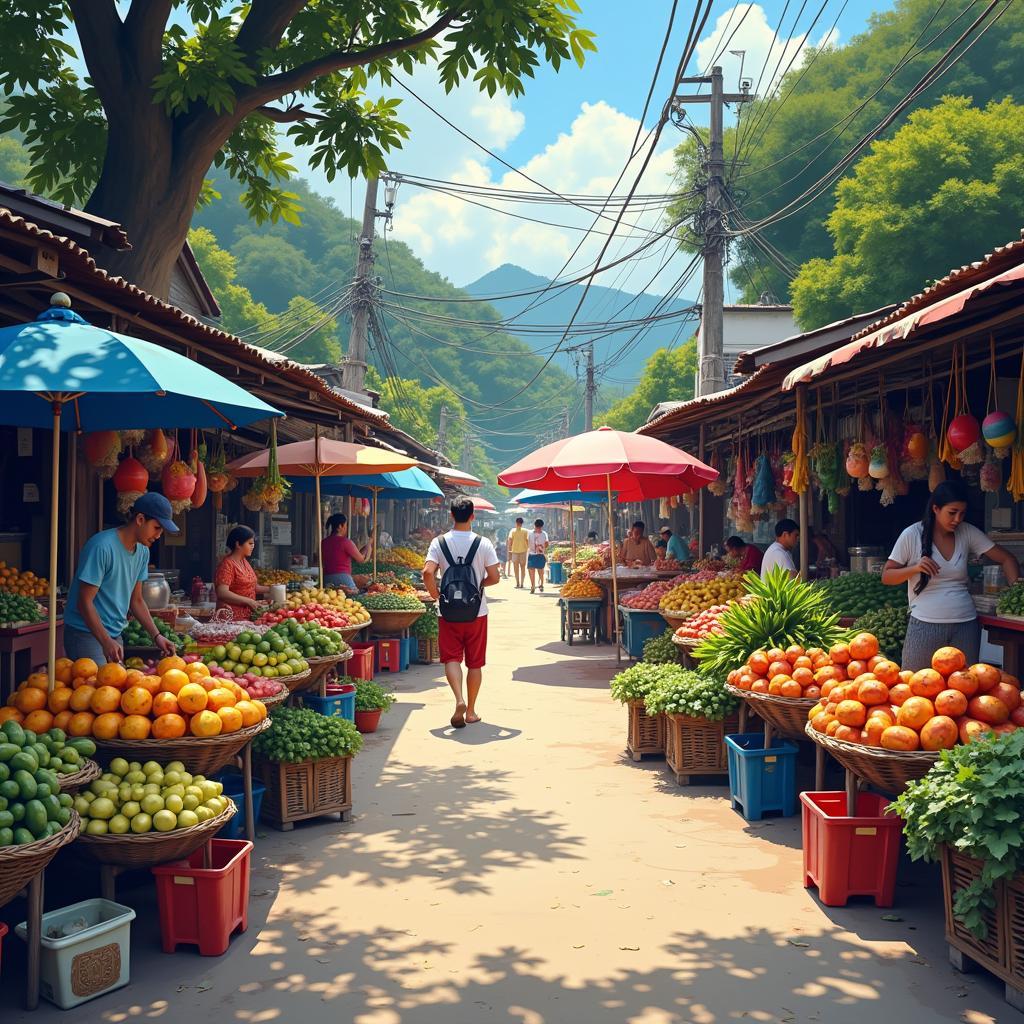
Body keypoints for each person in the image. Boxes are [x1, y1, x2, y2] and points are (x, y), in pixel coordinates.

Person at [882, 480, 1019, 670]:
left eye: (962, 513)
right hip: (925, 625)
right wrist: (915, 568)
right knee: (916, 687)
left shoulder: (968, 532)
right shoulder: (912, 535)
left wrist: (1018, 596)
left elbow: (1007, 559)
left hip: (966, 625)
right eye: (952, 512)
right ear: (935, 509)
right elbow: (887, 576)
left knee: (965, 689)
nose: (957, 519)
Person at [64, 493, 179, 666]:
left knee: (117, 690)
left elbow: (137, 600)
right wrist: (105, 640)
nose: (158, 535)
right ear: (140, 519)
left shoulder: (143, 552)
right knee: (98, 691)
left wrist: (157, 636)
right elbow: (84, 603)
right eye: (157, 528)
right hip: (85, 633)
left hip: (114, 635)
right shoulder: (101, 547)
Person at [423, 498, 500, 728]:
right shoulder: (483, 543)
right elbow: (495, 576)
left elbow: (427, 572)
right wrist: (478, 586)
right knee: (474, 663)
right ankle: (471, 712)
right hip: (477, 612)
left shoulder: (439, 542)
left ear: (451, 515)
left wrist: (436, 594)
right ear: (473, 516)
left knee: (452, 658)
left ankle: (458, 699)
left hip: (447, 612)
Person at [215, 526, 271, 621]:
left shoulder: (244, 562)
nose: (253, 546)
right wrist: (248, 601)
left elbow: (253, 587)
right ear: (238, 544)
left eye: (253, 543)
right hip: (230, 618)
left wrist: (275, 589)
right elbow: (222, 592)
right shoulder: (227, 564)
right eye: (250, 543)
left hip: (248, 617)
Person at [321, 513, 372, 590]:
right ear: (339, 527)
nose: (346, 528)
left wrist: (367, 545)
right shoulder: (345, 542)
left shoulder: (324, 542)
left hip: (326, 578)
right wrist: (369, 543)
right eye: (345, 525)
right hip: (342, 578)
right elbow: (361, 559)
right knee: (355, 597)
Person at [527, 518, 549, 593]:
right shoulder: (530, 533)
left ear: (541, 527)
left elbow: (547, 543)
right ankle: (533, 586)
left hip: (540, 554)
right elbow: (527, 542)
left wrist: (542, 547)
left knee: (540, 571)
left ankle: (541, 584)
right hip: (532, 554)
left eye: (539, 528)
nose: (538, 529)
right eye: (537, 527)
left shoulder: (544, 534)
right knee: (531, 570)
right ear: (534, 526)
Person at [507, 517, 529, 588]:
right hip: (523, 552)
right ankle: (522, 583)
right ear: (522, 523)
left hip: (515, 552)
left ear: (516, 523)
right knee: (523, 568)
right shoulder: (525, 531)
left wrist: (509, 550)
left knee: (516, 568)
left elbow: (510, 541)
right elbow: (527, 541)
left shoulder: (512, 531)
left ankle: (517, 583)